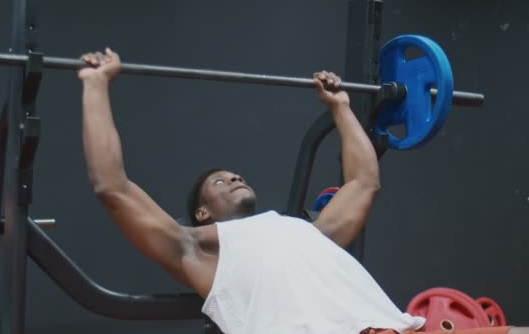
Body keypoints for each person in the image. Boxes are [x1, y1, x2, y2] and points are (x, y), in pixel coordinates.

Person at [77, 48, 521, 334]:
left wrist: (342, 108)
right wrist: (96, 87)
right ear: (202, 214)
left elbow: (365, 182)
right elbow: (112, 186)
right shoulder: (195, 249)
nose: (233, 178)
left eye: (235, 174)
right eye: (218, 181)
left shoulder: (308, 232)